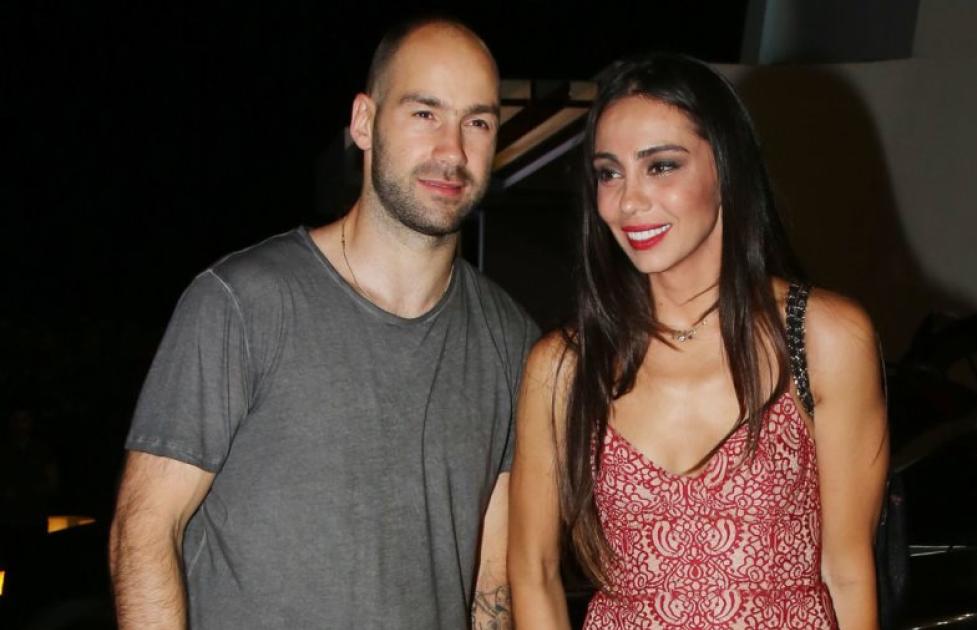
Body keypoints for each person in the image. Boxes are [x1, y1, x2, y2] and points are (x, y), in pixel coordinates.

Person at [108, 18, 537, 630]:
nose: (452, 151)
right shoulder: (241, 303)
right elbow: (144, 531)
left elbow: (493, 578)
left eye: (478, 123)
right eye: (425, 113)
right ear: (364, 122)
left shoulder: (511, 341)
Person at [509, 53, 889, 629]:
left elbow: (848, 570)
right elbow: (532, 571)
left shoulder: (822, 338)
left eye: (661, 166)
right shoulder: (564, 366)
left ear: (726, 168)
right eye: (609, 173)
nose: (628, 201)